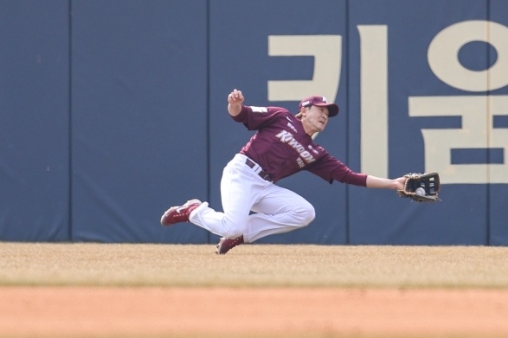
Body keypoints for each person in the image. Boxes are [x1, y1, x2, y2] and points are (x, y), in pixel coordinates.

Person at [161, 89, 406, 254]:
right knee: (232, 225)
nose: (324, 115)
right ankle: (193, 211)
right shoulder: (282, 117)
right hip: (242, 173)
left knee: (304, 212)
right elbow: (241, 115)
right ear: (303, 110)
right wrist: (234, 105)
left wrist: (394, 184)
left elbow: (350, 176)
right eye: (320, 109)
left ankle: (242, 235)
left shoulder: (315, 152)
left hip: (264, 186)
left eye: (327, 113)